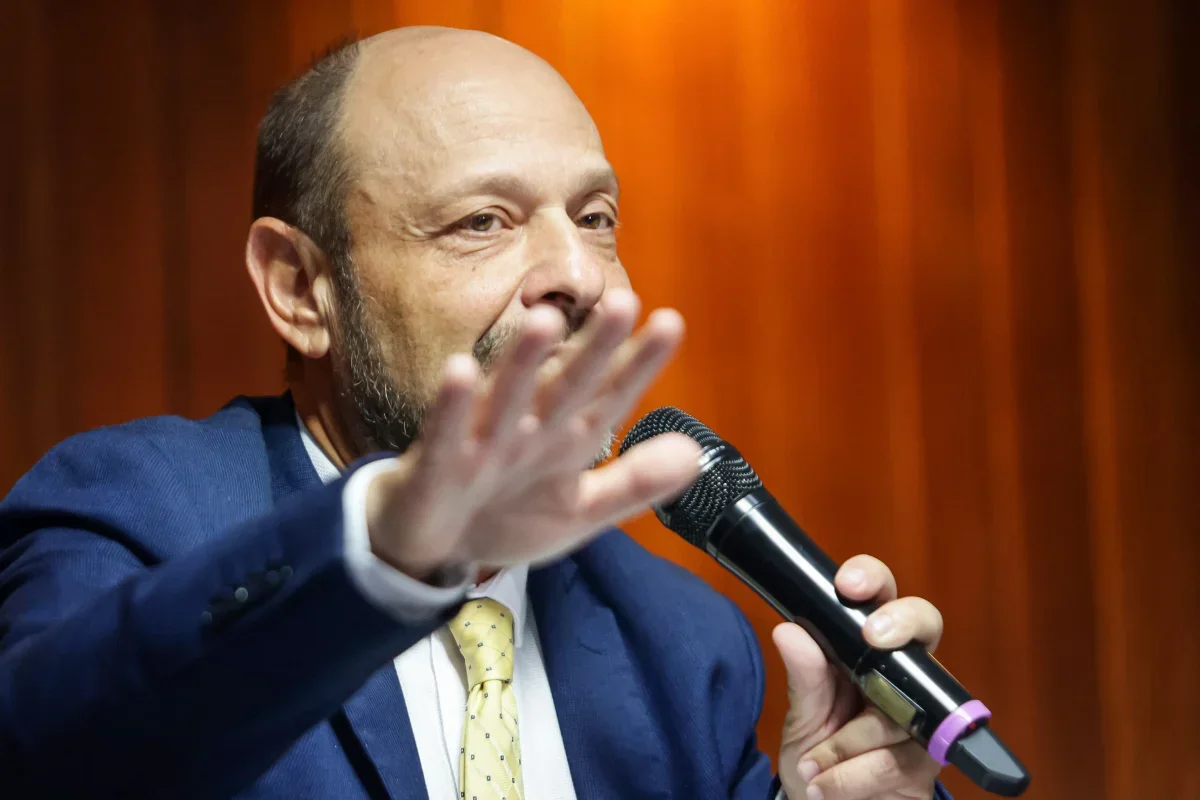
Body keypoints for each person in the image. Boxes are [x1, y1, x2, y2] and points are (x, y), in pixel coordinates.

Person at [0, 26, 950, 800]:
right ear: (299, 287)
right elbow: (47, 761)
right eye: (481, 222)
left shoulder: (685, 641)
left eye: (595, 218)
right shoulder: (134, 511)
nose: (579, 275)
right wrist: (387, 555)